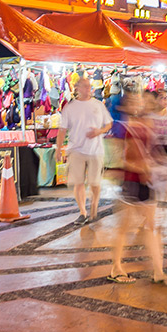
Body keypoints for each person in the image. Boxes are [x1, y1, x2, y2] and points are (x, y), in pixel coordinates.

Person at [107, 91, 167, 287]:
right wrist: (145, 167)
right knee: (126, 228)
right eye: (137, 101)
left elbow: (153, 151)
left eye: (143, 101)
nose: (141, 104)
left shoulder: (147, 124)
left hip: (145, 182)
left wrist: (163, 164)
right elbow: (126, 160)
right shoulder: (128, 128)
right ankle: (116, 268)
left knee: (150, 227)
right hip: (133, 183)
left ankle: (158, 271)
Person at [56, 75, 113, 226]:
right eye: (85, 86)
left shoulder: (98, 104)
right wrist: (58, 149)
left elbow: (109, 123)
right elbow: (62, 130)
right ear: (77, 88)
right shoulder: (70, 107)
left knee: (94, 182)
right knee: (78, 182)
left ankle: (94, 205)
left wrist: (99, 132)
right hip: (76, 149)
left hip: (95, 150)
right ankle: (83, 212)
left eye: (89, 86)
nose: (88, 89)